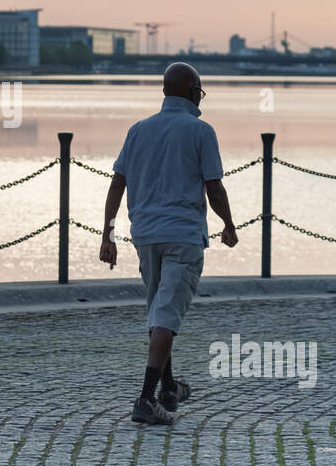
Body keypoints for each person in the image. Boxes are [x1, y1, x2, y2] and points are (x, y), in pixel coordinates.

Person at [99, 62, 238, 425]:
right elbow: (214, 187)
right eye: (200, 91)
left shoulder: (138, 130)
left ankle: (169, 388)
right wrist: (228, 224)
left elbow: (117, 184)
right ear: (193, 92)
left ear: (164, 91)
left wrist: (108, 234)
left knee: (160, 310)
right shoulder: (201, 131)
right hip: (182, 234)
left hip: (144, 236)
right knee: (166, 313)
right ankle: (146, 399)